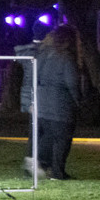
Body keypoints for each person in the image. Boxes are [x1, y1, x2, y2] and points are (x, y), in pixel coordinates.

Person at [36, 25, 82, 180]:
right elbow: (72, 83)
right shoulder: (67, 58)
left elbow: (36, 77)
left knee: (49, 136)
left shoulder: (46, 55)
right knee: (62, 140)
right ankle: (57, 172)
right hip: (61, 105)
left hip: (44, 104)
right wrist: (78, 101)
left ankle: (41, 164)